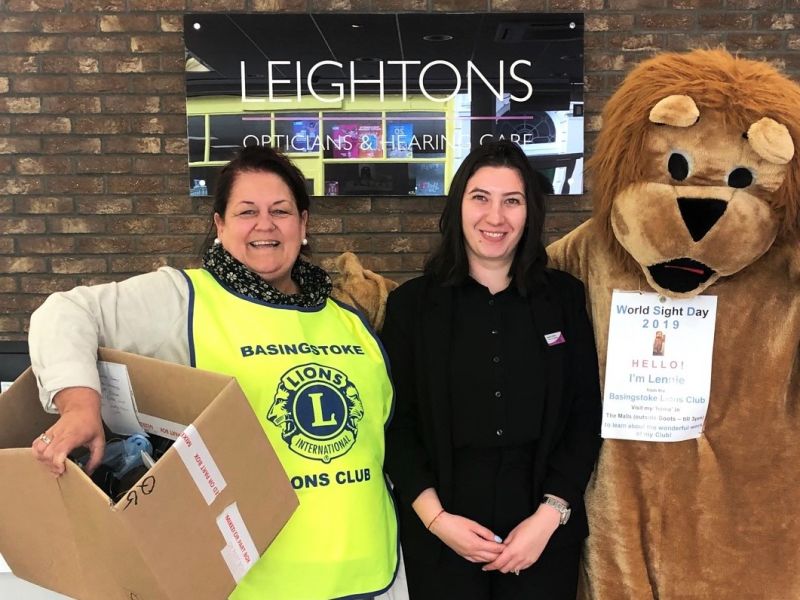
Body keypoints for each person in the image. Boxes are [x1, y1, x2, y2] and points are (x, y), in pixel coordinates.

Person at [28, 145, 403, 600]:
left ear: (303, 225)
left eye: (281, 211)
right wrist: (79, 405)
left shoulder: (348, 317)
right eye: (247, 211)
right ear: (219, 225)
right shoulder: (182, 298)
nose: (265, 225)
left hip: (364, 573)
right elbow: (63, 312)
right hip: (246, 585)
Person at [381, 140, 602, 600]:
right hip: (442, 533)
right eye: (480, 197)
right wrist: (437, 522)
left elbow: (585, 415)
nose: (495, 217)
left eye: (512, 201)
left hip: (541, 532)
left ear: (530, 213)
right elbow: (395, 425)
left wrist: (548, 518)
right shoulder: (412, 306)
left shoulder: (563, 299)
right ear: (458, 204)